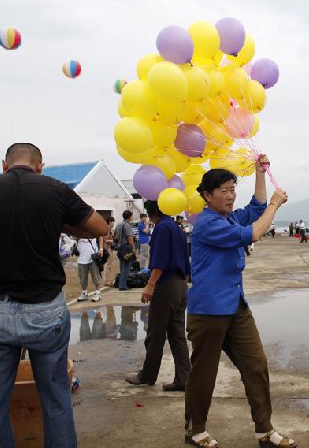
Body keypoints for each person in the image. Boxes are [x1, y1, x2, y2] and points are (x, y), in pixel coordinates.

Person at [0, 143, 108, 448]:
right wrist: (54, 224)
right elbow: (98, 226)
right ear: (40, 166)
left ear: (4, 165)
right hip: (45, 309)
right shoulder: (55, 189)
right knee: (55, 397)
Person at [184, 155, 296, 448]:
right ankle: (195, 430)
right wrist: (275, 205)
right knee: (204, 375)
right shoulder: (208, 224)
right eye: (224, 190)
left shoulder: (228, 216)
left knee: (256, 366)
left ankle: (265, 431)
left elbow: (255, 208)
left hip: (235, 306)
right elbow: (257, 230)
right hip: (208, 311)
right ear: (207, 196)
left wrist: (260, 173)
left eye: (233, 188)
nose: (231, 195)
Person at [124, 200, 190, 391]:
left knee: (155, 334)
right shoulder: (177, 227)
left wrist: (150, 285)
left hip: (166, 285)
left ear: (151, 212)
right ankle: (184, 378)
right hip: (180, 284)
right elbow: (185, 259)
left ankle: (147, 376)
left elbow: (159, 261)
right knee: (177, 335)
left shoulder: (161, 228)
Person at [76, 238, 102, 302]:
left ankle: (97, 292)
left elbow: (100, 236)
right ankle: (84, 293)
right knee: (82, 277)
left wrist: (101, 249)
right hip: (81, 255)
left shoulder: (93, 228)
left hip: (92, 255)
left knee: (95, 275)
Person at [115, 210, 135, 291]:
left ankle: (121, 284)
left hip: (120, 248)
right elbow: (130, 237)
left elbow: (115, 236)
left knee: (122, 267)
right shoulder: (127, 225)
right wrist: (132, 247)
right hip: (126, 248)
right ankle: (123, 285)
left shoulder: (118, 225)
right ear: (129, 216)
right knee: (127, 267)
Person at [103, 217, 116, 287]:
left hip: (108, 248)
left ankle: (106, 280)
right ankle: (106, 281)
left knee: (108, 265)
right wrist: (113, 241)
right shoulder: (107, 229)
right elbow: (105, 239)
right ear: (110, 222)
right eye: (113, 222)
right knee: (108, 265)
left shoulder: (109, 229)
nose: (113, 223)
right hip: (107, 248)